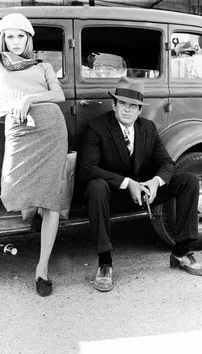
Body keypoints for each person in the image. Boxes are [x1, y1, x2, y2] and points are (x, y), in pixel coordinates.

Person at [0, 13, 68, 297]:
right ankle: (35, 211)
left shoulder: (43, 65)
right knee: (12, 186)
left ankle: (42, 269)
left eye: (21, 36)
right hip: (18, 129)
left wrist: (29, 98)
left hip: (50, 128)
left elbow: (59, 95)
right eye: (10, 36)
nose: (15, 41)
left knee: (51, 199)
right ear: (4, 38)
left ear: (28, 39)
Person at [79, 77, 201, 292]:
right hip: (113, 195)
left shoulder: (148, 127)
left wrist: (155, 182)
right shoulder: (97, 127)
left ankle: (181, 252)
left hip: (146, 193)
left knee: (188, 181)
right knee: (96, 186)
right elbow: (87, 169)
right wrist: (128, 183)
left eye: (133, 106)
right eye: (123, 104)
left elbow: (166, 163)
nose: (127, 110)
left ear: (139, 110)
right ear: (114, 105)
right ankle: (105, 263)